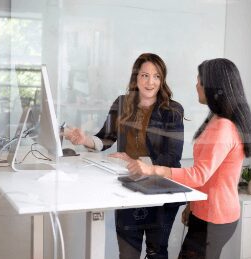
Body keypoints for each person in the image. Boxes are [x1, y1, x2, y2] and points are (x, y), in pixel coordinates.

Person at [114, 58, 251, 259]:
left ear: (214, 86)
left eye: (200, 80)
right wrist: (191, 204)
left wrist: (152, 169)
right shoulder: (216, 119)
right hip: (205, 212)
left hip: (215, 216)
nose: (196, 85)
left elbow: (199, 174)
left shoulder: (223, 126)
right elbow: (208, 171)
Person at [65, 53, 185, 259]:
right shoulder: (122, 103)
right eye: (145, 75)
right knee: (128, 252)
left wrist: (136, 162)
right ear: (136, 77)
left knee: (156, 252)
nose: (150, 82)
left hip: (161, 186)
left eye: (156, 76)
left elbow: (172, 156)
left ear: (162, 79)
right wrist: (84, 139)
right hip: (129, 186)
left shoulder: (172, 110)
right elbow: (106, 139)